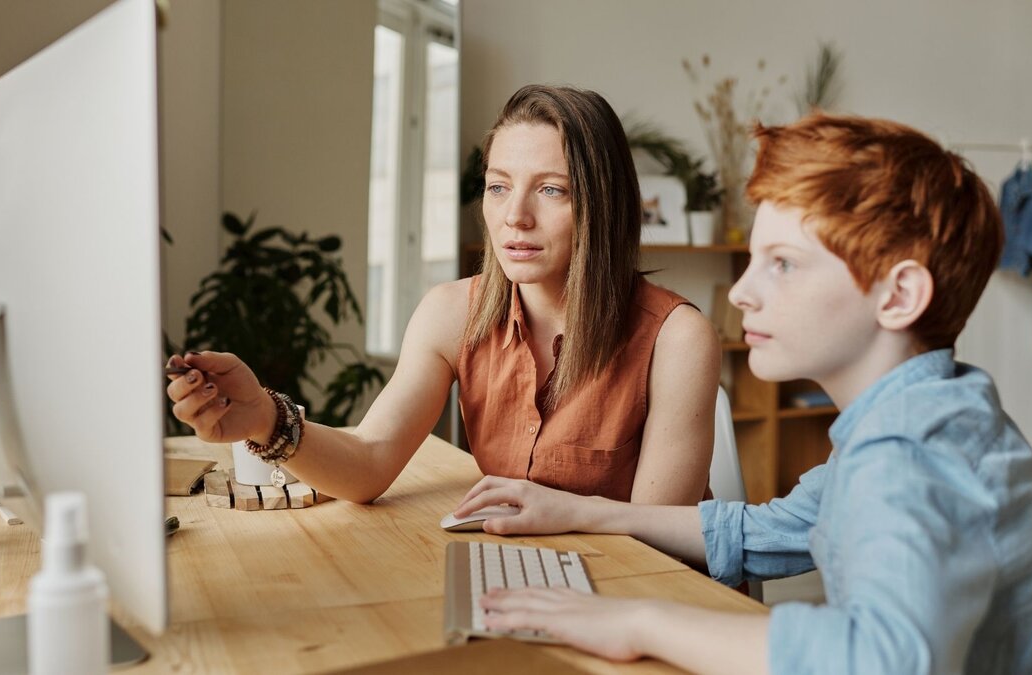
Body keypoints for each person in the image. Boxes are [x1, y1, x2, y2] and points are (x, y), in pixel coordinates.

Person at [454, 114, 1032, 674]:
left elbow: (879, 658)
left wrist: (638, 624)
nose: (740, 293)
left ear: (898, 297)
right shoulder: (926, 415)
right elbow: (767, 532)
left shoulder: (912, 454)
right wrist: (583, 512)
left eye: (781, 263)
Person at [166, 84, 720, 505]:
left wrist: (550, 517)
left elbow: (656, 542)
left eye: (551, 190)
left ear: (604, 205)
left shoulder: (677, 339)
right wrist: (265, 418)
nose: (514, 217)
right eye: (498, 186)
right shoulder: (452, 312)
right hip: (528, 579)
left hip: (642, 600)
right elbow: (368, 462)